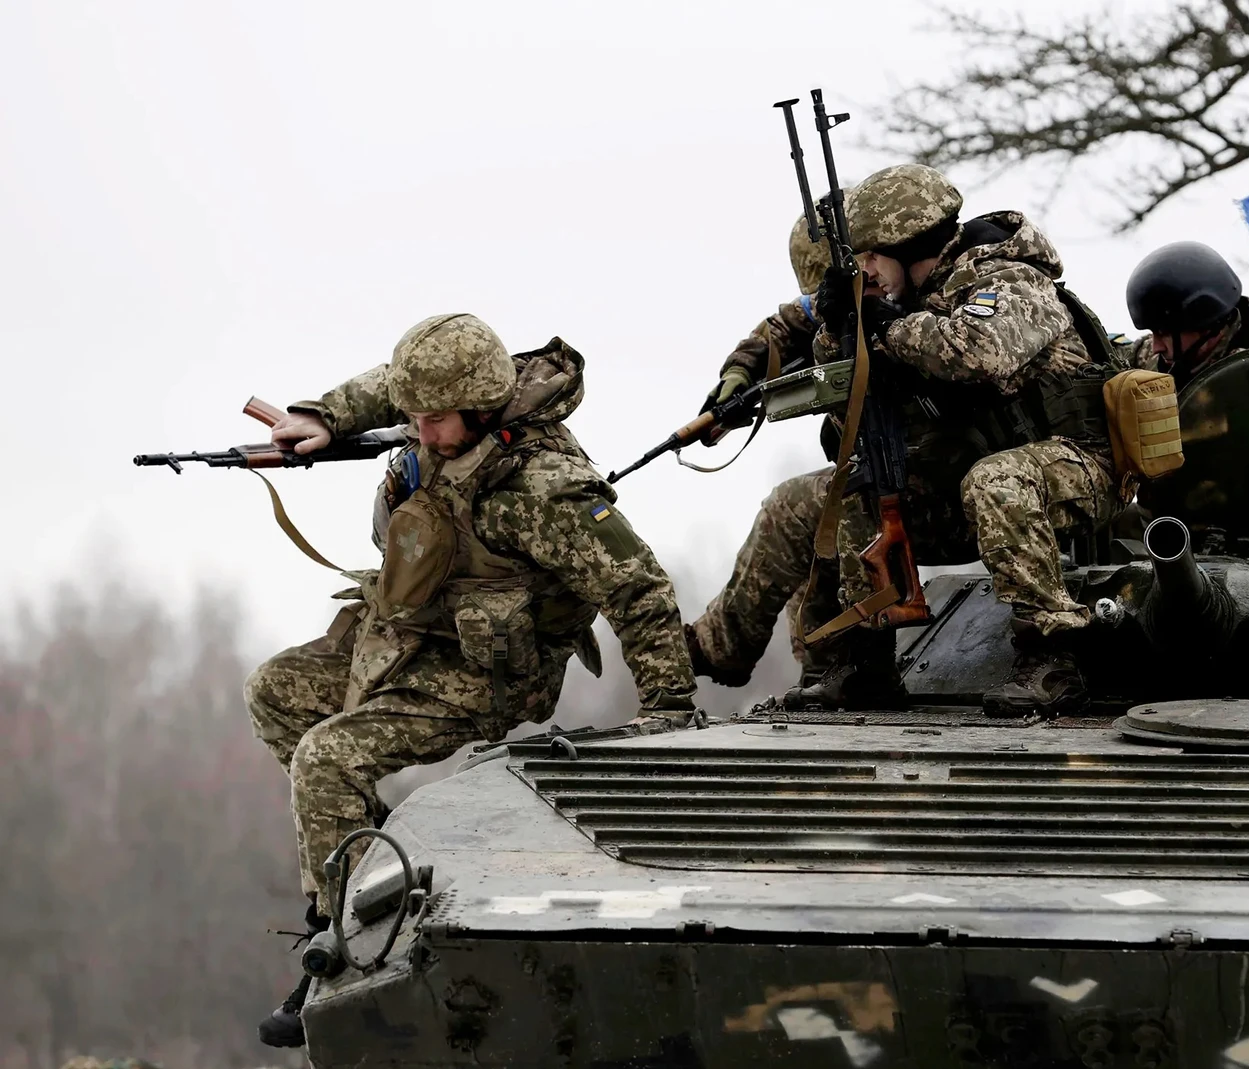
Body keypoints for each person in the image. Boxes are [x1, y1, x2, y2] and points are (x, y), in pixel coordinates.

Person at [245, 314, 698, 1047]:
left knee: (326, 758)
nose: (418, 430)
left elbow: (639, 590)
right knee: (275, 690)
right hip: (413, 635)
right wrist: (322, 416)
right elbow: (390, 389)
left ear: (482, 407)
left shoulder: (546, 491)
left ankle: (352, 946)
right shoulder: (446, 404)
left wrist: (671, 711)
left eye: (433, 419)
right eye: (412, 415)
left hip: (488, 674)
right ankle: (367, 868)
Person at [800, 163, 1121, 715]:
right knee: (859, 486)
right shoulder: (908, 302)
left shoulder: (1012, 280)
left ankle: (1051, 659)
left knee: (998, 480)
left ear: (908, 244)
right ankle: (866, 663)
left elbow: (978, 351)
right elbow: (842, 385)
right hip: (975, 487)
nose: (866, 270)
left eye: (871, 256)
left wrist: (882, 325)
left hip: (1078, 469)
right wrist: (840, 323)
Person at [687, 214, 844, 689]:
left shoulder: (934, 298)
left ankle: (721, 648)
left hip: (950, 475)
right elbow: (785, 324)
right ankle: (826, 669)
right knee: (818, 522)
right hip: (896, 474)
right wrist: (740, 374)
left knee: (794, 508)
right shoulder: (853, 298)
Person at [1123, 240, 1249, 379]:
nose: (1156, 347)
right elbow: (1131, 356)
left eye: (1164, 333)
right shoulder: (1175, 351)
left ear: (1205, 324)